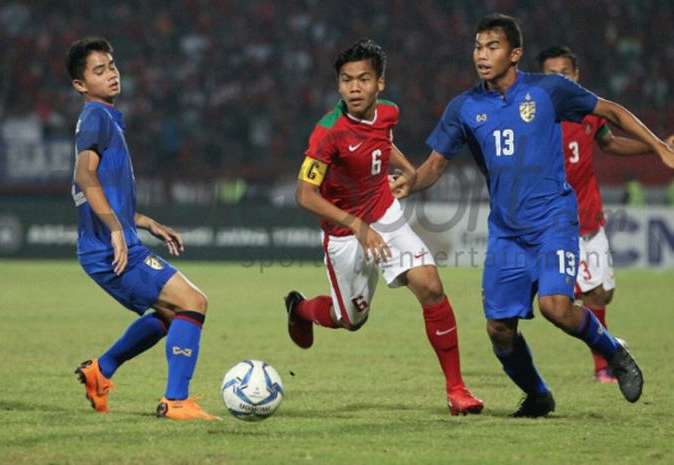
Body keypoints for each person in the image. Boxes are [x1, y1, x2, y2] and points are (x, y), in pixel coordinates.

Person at [397, 14, 674, 417]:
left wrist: (657, 145)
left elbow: (611, 111)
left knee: (556, 306)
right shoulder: (464, 107)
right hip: (507, 232)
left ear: (515, 53)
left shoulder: (548, 90)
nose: (482, 55)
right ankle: (538, 394)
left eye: (493, 47)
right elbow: (436, 164)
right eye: (478, 46)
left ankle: (614, 352)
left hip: (554, 220)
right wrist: (411, 183)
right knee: (499, 330)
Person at [284, 38, 483, 416]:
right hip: (344, 233)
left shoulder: (389, 112)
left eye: (363, 79)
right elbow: (304, 195)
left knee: (430, 285)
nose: (354, 88)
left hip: (384, 214)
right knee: (350, 320)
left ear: (380, 83)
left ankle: (457, 391)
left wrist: (409, 170)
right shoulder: (327, 132)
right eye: (346, 80)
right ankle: (301, 309)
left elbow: (381, 141)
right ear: (338, 85)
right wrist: (359, 227)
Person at [66, 37, 220, 421]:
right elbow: (84, 178)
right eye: (98, 71)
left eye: (112, 66)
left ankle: (100, 370)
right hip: (110, 247)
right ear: (80, 85)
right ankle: (176, 401)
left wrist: (144, 221)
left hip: (108, 244)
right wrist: (117, 230)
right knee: (193, 302)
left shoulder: (105, 119)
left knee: (172, 316)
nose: (111, 74)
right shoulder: (96, 117)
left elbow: (101, 192)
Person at [537, 45, 674, 383]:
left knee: (601, 294)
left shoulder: (589, 110)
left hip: (591, 218)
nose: (558, 79)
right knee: (567, 298)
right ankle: (603, 366)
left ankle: (604, 355)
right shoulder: (533, 114)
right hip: (555, 222)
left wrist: (658, 147)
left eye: (564, 73)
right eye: (550, 74)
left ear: (577, 75)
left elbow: (610, 143)